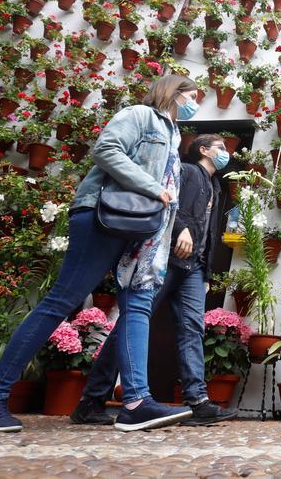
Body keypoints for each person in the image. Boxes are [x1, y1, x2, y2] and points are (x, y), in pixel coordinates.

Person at [0, 74, 198, 433]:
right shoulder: (139, 115)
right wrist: (151, 187)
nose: (194, 104)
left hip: (141, 229)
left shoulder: (173, 135)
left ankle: (135, 402)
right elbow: (106, 150)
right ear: (173, 93)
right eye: (192, 96)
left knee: (138, 306)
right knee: (62, 300)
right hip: (103, 216)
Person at [71, 133, 238, 427]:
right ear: (203, 150)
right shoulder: (186, 172)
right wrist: (181, 229)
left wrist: (206, 272)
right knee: (131, 323)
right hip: (168, 260)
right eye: (221, 148)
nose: (226, 153)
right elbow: (168, 201)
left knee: (192, 329)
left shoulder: (215, 186)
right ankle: (92, 400)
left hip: (194, 268)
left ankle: (197, 401)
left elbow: (210, 234)